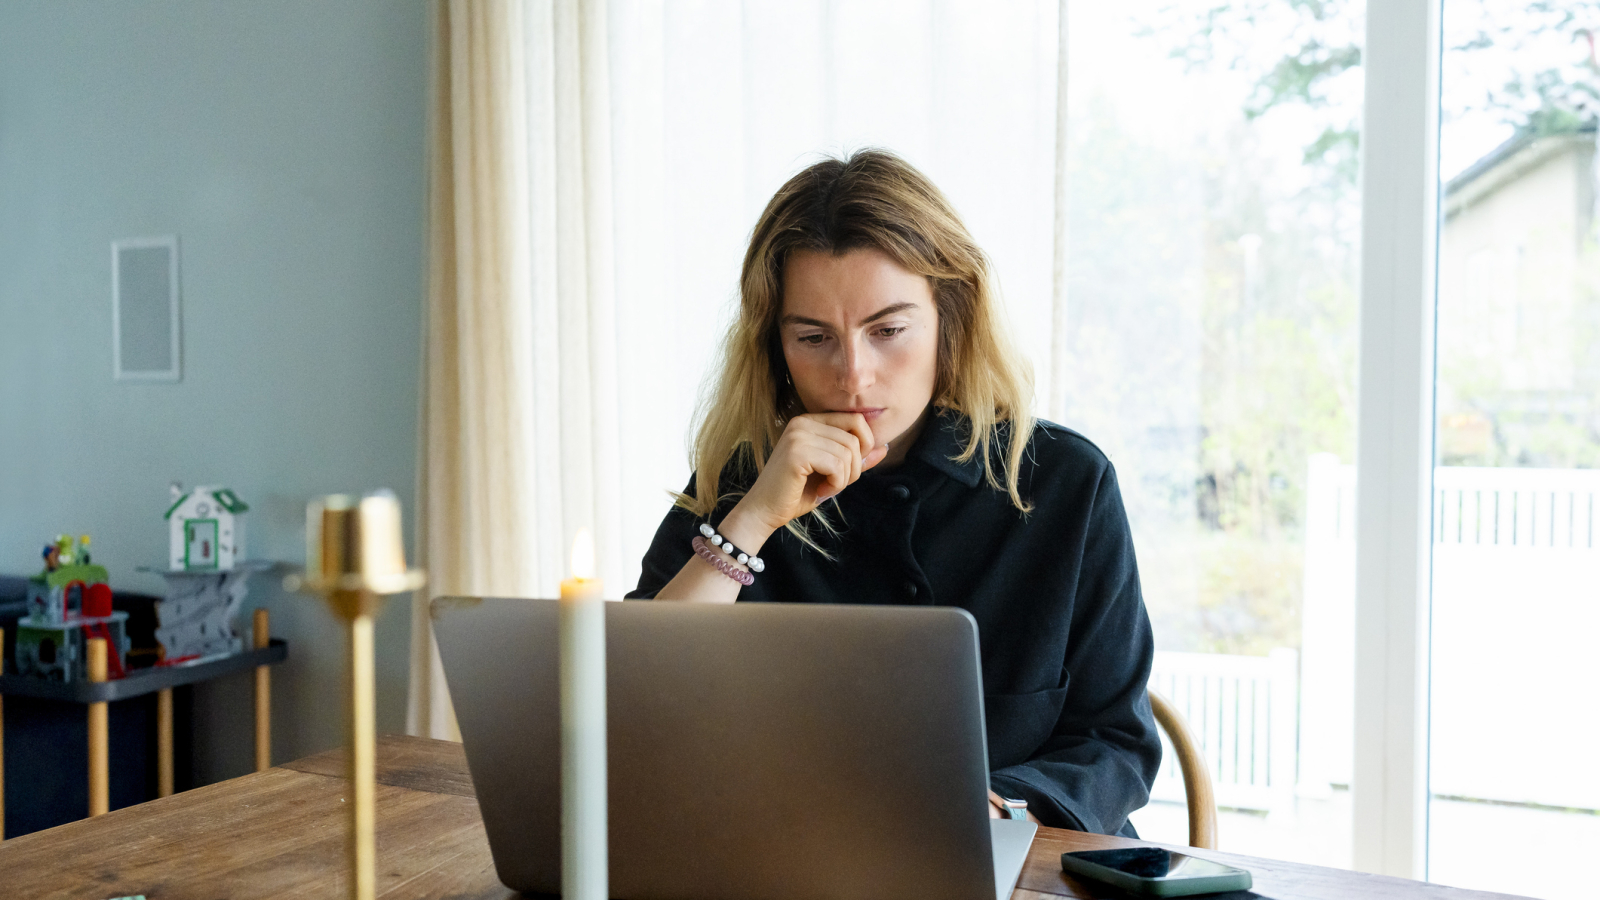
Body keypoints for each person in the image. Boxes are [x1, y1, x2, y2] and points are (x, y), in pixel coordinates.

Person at [626, 149, 1161, 836]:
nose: (854, 374)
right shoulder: (742, 483)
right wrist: (754, 519)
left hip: (1017, 866)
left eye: (888, 331)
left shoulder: (1067, 483)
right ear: (774, 346)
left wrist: (992, 809)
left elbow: (1117, 744)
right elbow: (637, 709)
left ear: (950, 317)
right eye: (814, 336)